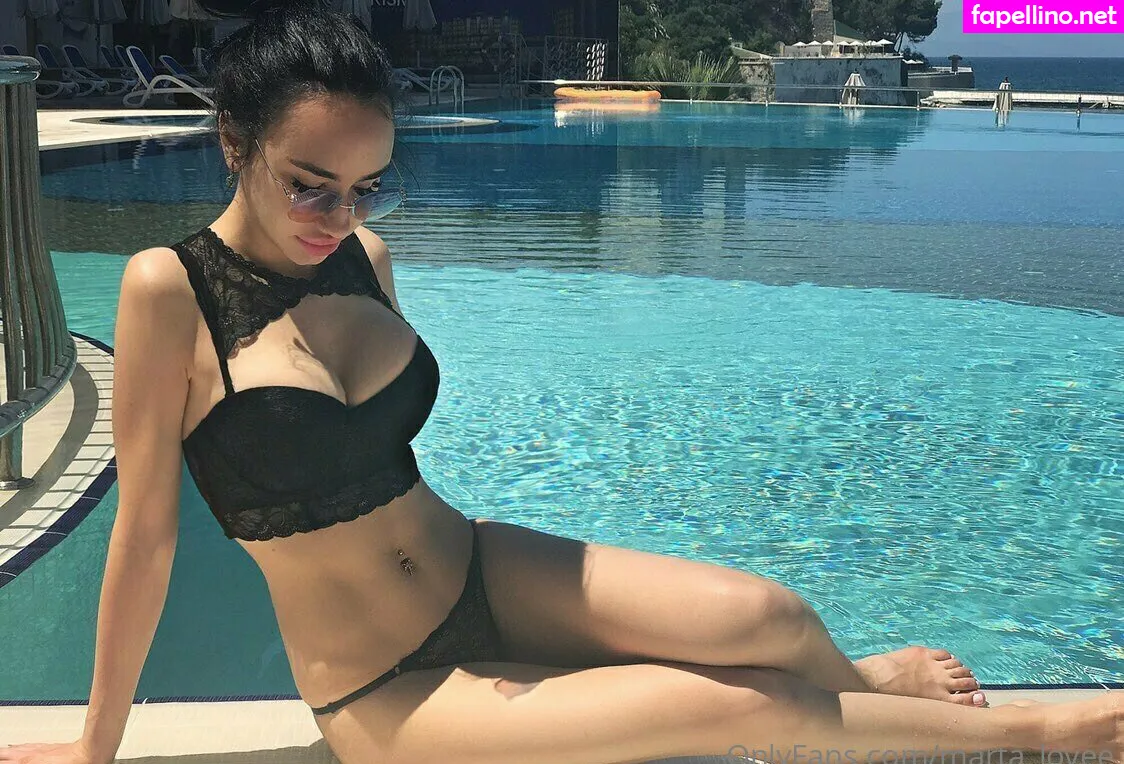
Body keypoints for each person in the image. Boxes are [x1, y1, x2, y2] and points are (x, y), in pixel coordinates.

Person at [3, 2, 1121, 762]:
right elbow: (144, 539)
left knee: (772, 613)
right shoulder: (169, 290)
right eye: (311, 185)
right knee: (739, 704)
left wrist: (347, 226)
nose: (338, 216)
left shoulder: (364, 258)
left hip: (479, 566)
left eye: (365, 186)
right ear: (231, 142)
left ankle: (862, 688)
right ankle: (1042, 732)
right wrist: (97, 745)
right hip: (382, 684)